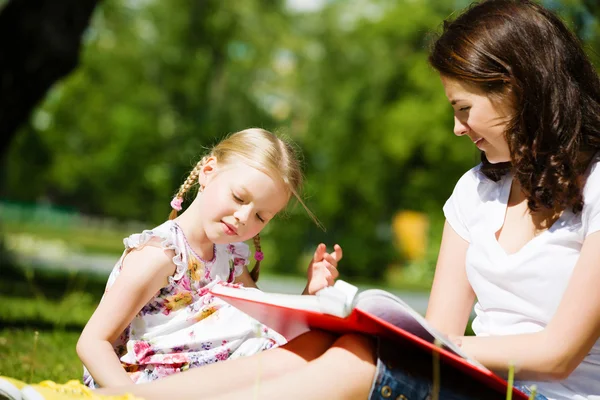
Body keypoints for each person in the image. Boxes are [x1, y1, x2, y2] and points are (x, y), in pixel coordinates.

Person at [2, 0, 599, 399]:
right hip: (475, 383)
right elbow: (436, 331)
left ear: (517, 87)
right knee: (330, 343)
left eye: (463, 109)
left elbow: (558, 353)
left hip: (547, 391)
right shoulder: (475, 192)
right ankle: (128, 397)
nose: (456, 129)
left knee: (358, 359)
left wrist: (421, 344)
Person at [75, 128, 343, 388]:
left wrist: (311, 292)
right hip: (146, 383)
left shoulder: (228, 256)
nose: (243, 217)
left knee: (322, 344)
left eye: (261, 216)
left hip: (206, 377)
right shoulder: (161, 254)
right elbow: (93, 342)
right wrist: (131, 398)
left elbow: (266, 324)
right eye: (239, 197)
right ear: (208, 172)